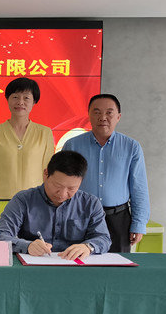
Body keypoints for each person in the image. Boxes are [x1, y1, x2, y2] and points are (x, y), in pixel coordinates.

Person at [62, 94, 149, 252]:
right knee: (78, 260)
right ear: (89, 115)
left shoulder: (131, 147)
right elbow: (63, 185)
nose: (103, 117)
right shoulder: (72, 145)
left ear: (118, 117)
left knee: (118, 264)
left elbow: (139, 188)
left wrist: (139, 224)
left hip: (118, 218)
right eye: (96, 112)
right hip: (80, 216)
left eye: (109, 112)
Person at [0, 150, 111, 260]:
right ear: (45, 174)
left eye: (71, 188)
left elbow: (103, 238)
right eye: (57, 186)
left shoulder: (90, 203)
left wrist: (88, 247)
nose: (62, 194)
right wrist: (27, 246)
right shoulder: (23, 200)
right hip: (33, 267)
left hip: (75, 267)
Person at [0, 77, 55, 235]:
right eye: (15, 97)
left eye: (26, 98)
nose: (20, 102)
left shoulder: (44, 133)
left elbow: (49, 173)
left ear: (34, 102)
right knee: (0, 249)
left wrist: (49, 205)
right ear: (7, 99)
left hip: (35, 207)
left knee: (33, 248)